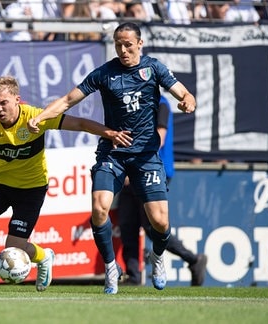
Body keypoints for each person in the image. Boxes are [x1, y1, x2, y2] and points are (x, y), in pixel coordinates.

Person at [27, 22, 197, 294]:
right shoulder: (105, 73)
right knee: (99, 208)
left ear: (140, 44)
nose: (123, 49)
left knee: (160, 222)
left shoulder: (154, 68)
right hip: (113, 153)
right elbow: (69, 100)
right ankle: (110, 268)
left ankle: (158, 256)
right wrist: (40, 117)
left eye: (128, 44)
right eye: (118, 44)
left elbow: (183, 92)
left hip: (145, 155)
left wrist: (188, 100)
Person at [0, 76, 132, 292]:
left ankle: (44, 256)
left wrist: (109, 133)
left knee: (13, 248)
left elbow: (79, 123)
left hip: (31, 190)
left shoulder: (35, 117)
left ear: (17, 100)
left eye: (3, 103)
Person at [117, 95, 207, 286]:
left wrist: (134, 165)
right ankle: (133, 276)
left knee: (152, 226)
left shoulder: (161, 103)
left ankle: (193, 259)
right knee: (127, 224)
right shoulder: (132, 99)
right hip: (130, 172)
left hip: (153, 171)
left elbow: (159, 139)